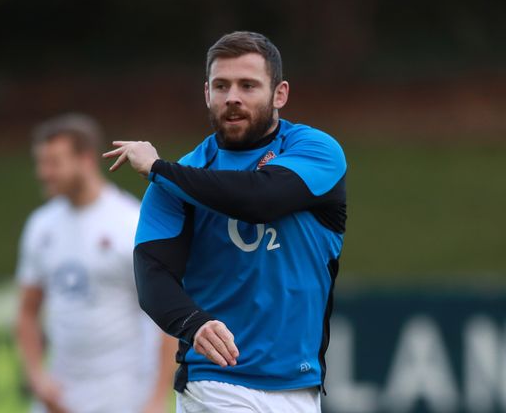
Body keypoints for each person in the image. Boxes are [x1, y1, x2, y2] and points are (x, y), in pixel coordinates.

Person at [103, 31, 347, 412]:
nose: (232, 96)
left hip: (299, 385)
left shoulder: (316, 151)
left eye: (248, 85)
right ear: (207, 94)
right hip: (214, 380)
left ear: (279, 94)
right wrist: (193, 323)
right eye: (222, 85)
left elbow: (260, 199)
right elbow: (152, 274)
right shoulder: (177, 178)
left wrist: (157, 168)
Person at [14, 113, 178, 413]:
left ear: (86, 159)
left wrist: (157, 399)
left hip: (122, 395)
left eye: (53, 163)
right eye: (41, 162)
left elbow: (167, 319)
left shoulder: (131, 223)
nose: (43, 173)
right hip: (58, 397)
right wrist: (38, 377)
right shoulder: (41, 226)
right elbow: (27, 311)